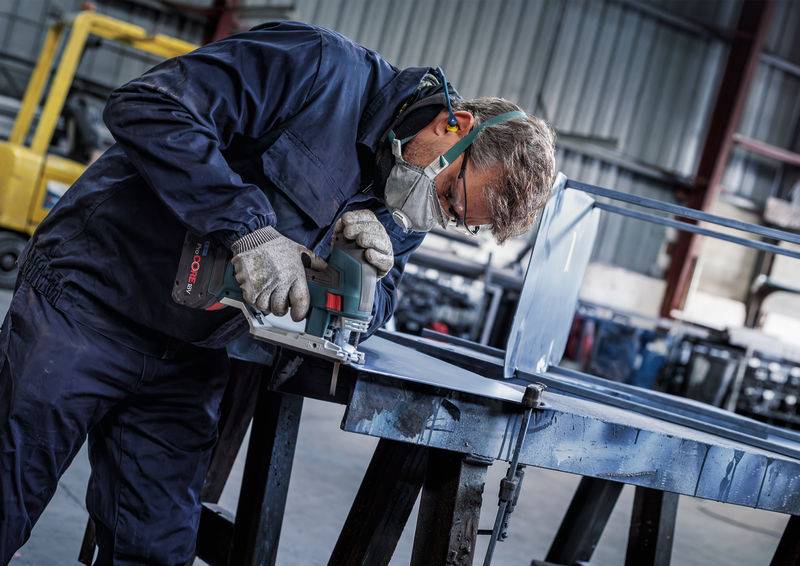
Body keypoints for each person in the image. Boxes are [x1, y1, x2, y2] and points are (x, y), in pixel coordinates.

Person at [0, 20, 556, 565]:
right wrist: (248, 227)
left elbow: (377, 309)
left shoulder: (403, 206)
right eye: (451, 194)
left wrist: (366, 278)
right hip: (89, 299)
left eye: (458, 219)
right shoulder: (317, 69)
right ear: (453, 124)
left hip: (192, 352)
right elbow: (146, 107)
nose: (439, 214)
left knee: (156, 547)